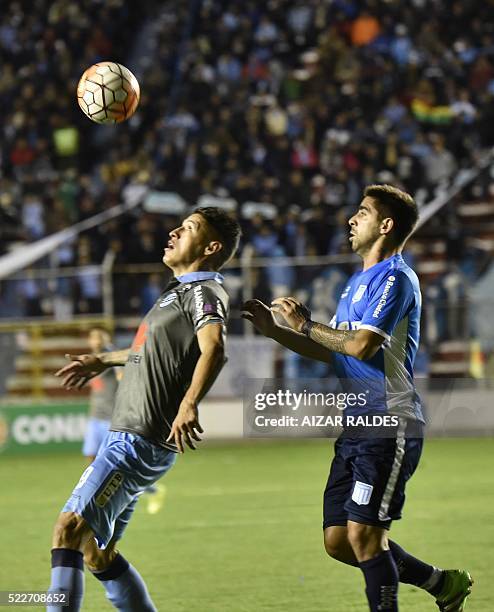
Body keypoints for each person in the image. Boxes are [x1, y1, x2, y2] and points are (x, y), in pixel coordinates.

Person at [242, 185, 472, 612]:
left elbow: (362, 345)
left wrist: (306, 324)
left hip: (391, 421)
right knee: (339, 541)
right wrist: (277, 331)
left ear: (385, 226)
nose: (352, 219)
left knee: (365, 537)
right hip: (357, 425)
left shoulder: (396, 278)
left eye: (363, 213)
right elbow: (335, 347)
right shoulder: (356, 283)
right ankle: (442, 584)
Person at [48, 207, 241, 612]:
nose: (173, 231)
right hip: (133, 438)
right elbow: (148, 352)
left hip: (137, 439)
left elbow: (215, 348)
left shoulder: (204, 290)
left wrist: (189, 404)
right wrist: (105, 359)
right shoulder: (178, 292)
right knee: (98, 555)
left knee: (67, 530)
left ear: (210, 247)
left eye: (187, 228)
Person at [82, 327, 120, 464]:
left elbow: (121, 373)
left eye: (100, 337)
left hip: (111, 417)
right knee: (90, 454)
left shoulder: (111, 358)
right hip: (95, 416)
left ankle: (142, 485)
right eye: (93, 338)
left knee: (113, 456)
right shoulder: (91, 360)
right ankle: (96, 483)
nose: (96, 341)